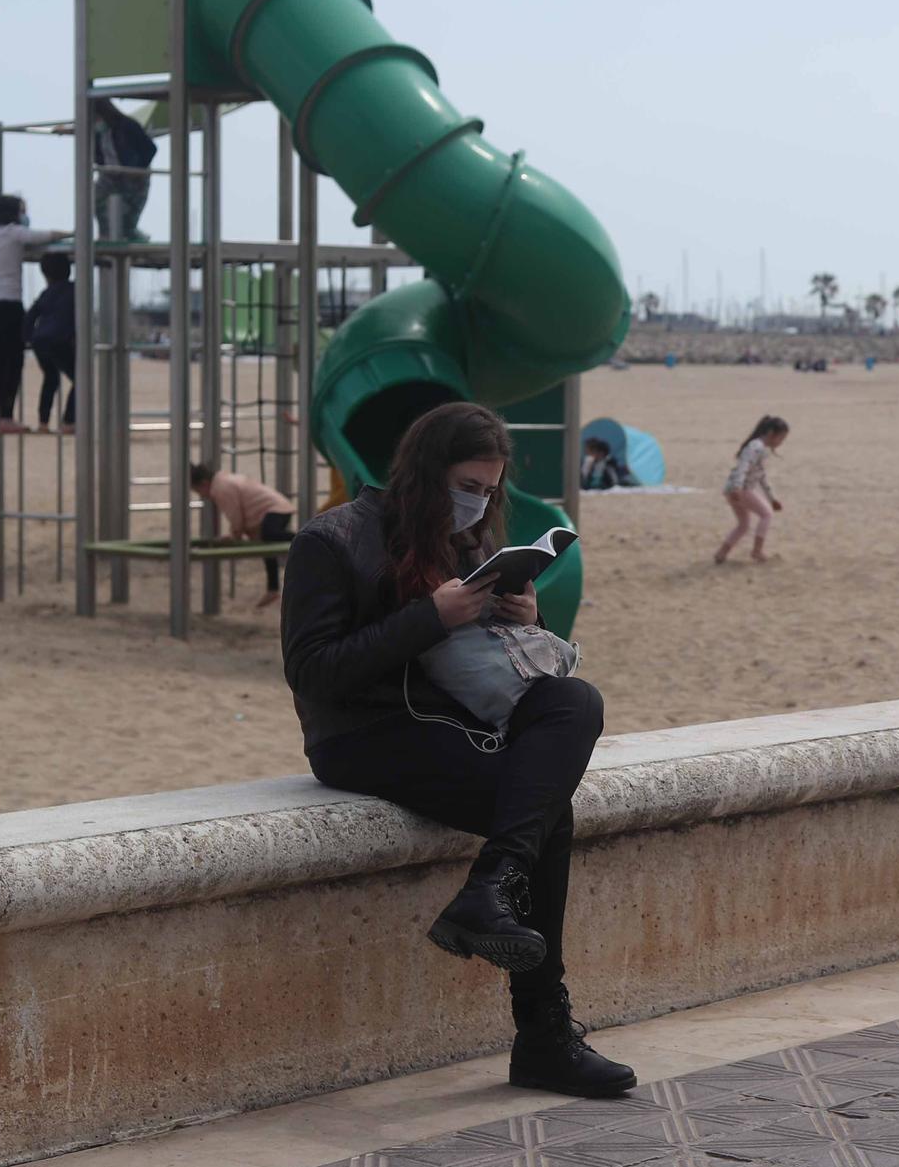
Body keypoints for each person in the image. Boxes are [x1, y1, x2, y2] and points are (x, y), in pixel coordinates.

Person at [280, 402, 634, 1098]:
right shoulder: (332, 540)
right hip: (364, 735)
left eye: (488, 489)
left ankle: (489, 893)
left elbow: (492, 664)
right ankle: (542, 1033)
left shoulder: (463, 542)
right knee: (545, 815)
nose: (476, 502)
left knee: (576, 701)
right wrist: (427, 618)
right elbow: (313, 671)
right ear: (424, 473)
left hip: (456, 721)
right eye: (467, 484)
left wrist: (525, 615)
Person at [0, 195, 70, 434]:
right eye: (22, 211)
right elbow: (46, 236)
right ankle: (6, 416)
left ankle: (2, 415)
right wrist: (71, 233)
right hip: (8, 303)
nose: (24, 216)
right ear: (13, 214)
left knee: (1, 360)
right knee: (14, 359)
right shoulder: (14, 233)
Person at [191, 462, 296, 609]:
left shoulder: (221, 488)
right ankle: (273, 589)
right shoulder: (223, 480)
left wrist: (235, 535)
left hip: (274, 509)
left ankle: (305, 539)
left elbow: (235, 515)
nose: (202, 496)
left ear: (204, 483)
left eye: (198, 491)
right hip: (272, 509)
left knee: (271, 535)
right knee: (268, 545)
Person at [715, 414, 788, 564]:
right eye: (781, 438)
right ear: (771, 433)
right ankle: (757, 551)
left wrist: (772, 498)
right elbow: (743, 466)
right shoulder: (756, 447)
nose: (781, 442)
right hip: (740, 489)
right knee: (766, 514)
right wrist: (737, 487)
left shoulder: (759, 448)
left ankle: (721, 553)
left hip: (733, 489)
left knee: (743, 525)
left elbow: (761, 476)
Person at [88, 100, 157, 240]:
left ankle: (131, 232)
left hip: (132, 174)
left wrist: (137, 169)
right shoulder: (98, 132)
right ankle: (105, 233)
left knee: (128, 213)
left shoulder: (127, 126)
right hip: (110, 174)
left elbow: (150, 149)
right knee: (94, 199)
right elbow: (97, 153)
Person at [24, 252, 76, 433]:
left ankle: (43, 423)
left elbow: (30, 316)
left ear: (46, 275)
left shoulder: (46, 293)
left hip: (40, 341)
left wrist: (28, 338)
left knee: (51, 379)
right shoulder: (74, 289)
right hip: (59, 339)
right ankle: (69, 421)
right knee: (80, 379)